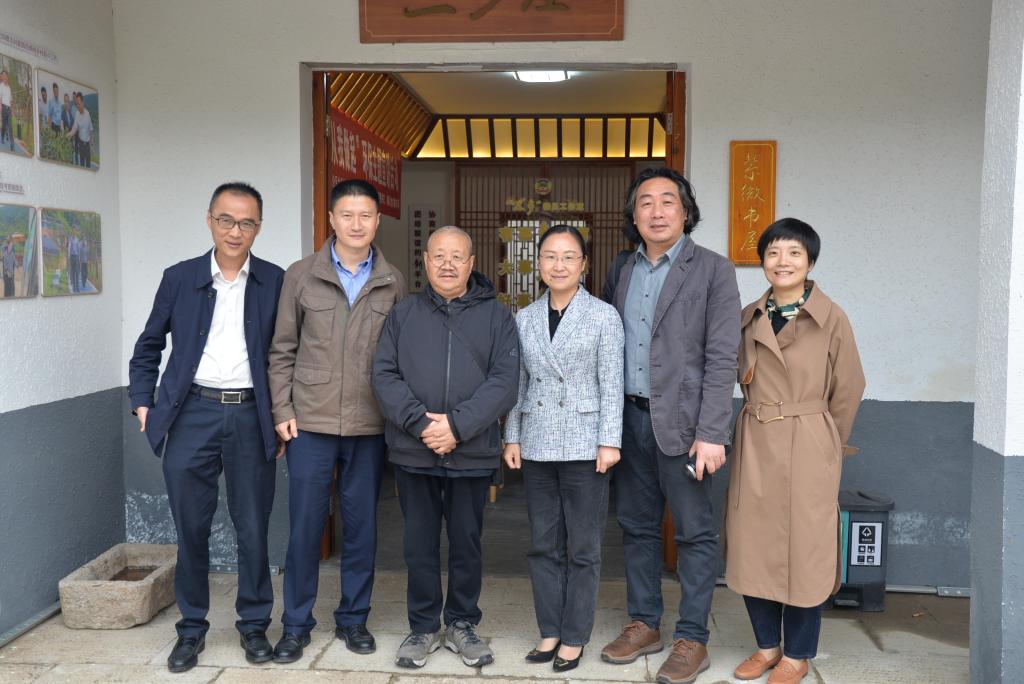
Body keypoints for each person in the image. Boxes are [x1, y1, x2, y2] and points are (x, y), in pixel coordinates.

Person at [127, 182, 284, 673]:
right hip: (192, 412)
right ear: (210, 220)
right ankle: (191, 628)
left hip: (251, 413)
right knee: (191, 528)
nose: (235, 231)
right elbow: (149, 345)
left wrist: (281, 415)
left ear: (259, 227)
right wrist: (143, 403)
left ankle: (254, 625)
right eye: (226, 220)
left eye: (246, 222)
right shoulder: (180, 278)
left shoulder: (275, 281)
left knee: (252, 526)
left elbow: (289, 355)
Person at [601, 167, 741, 684]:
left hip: (686, 426)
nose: (656, 211)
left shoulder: (714, 270)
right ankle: (644, 623)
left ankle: (693, 638)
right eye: (645, 202)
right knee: (636, 527)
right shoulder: (622, 268)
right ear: (633, 215)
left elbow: (723, 356)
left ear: (686, 212)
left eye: (667, 201)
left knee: (695, 533)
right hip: (628, 420)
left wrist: (713, 432)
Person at [267, 179, 405, 664]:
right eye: (347, 215)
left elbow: (399, 357)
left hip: (369, 424)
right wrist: (282, 410)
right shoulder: (301, 275)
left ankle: (354, 619)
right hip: (310, 422)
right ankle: (295, 624)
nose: (356, 224)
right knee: (306, 527)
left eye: (365, 215)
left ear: (377, 221)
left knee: (362, 528)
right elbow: (282, 349)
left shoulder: (392, 280)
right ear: (331, 219)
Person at [372, 226, 519, 670]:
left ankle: (461, 623)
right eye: (439, 256)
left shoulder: (497, 317)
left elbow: (504, 382)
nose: (448, 264)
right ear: (425, 261)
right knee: (418, 543)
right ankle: (422, 626)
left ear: (472, 263)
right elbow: (384, 375)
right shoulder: (404, 314)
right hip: (414, 450)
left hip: (471, 451)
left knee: (466, 542)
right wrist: (422, 424)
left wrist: (456, 426)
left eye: (457, 256)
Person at [725, 219, 865, 684]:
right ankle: (767, 646)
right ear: (762, 261)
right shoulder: (748, 317)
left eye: (794, 253)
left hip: (809, 441)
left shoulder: (831, 317)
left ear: (810, 262)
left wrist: (827, 444)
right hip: (756, 440)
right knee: (753, 545)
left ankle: (798, 654)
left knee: (806, 550)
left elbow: (849, 387)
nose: (782, 262)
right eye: (773, 253)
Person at [502, 224, 624, 673]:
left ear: (584, 264)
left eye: (569, 256)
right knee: (542, 544)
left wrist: (610, 441)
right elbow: (518, 384)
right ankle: (549, 629)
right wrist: (512, 435)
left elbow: (612, 383)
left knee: (583, 547)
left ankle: (574, 636)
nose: (559, 265)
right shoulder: (525, 317)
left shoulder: (603, 316)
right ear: (539, 264)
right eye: (550, 256)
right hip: (537, 441)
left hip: (585, 442)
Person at [67, 93, 93, 168]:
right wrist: (68, 135)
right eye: (77, 104)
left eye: (79, 104)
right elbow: (74, 129)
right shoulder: (77, 114)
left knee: (88, 166)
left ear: (82, 102)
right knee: (81, 165)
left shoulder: (87, 114)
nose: (78, 106)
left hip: (87, 145)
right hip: (80, 144)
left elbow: (91, 130)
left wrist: (91, 145)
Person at [0, 70, 13, 152]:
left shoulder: (9, 88)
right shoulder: (1, 86)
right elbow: (0, 98)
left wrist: (12, 109)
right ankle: (2, 137)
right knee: (4, 126)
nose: (4, 77)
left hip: (9, 109)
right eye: (3, 75)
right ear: (2, 77)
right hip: (4, 108)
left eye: (6, 75)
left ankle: (12, 145)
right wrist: (0, 107)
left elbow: (11, 99)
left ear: (7, 77)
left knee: (10, 126)